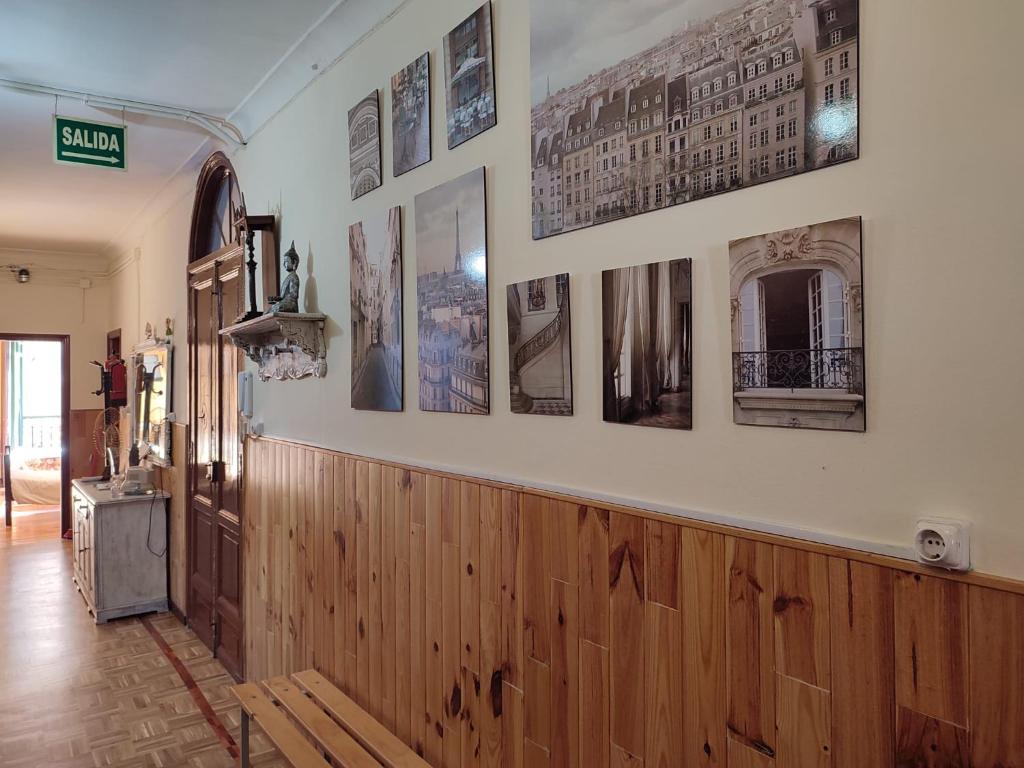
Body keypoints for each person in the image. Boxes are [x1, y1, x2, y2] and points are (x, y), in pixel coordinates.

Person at [269, 241, 300, 313]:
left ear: (294, 262)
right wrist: (277, 299)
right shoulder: (288, 277)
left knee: (276, 307)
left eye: (286, 261)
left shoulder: (294, 277)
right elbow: (284, 296)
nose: (283, 264)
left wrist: (281, 302)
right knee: (269, 310)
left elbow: (293, 296)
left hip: (291, 305)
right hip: (285, 303)